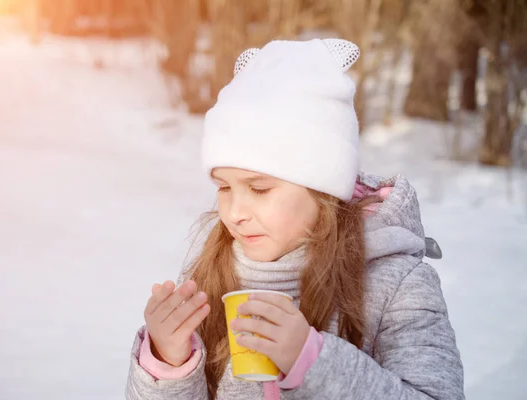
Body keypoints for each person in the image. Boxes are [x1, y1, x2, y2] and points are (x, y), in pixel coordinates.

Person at [125, 38, 465, 400]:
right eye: (224, 187)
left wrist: (313, 363)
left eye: (259, 189)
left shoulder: (396, 286)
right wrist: (168, 363)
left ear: (322, 189)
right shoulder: (212, 269)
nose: (235, 214)